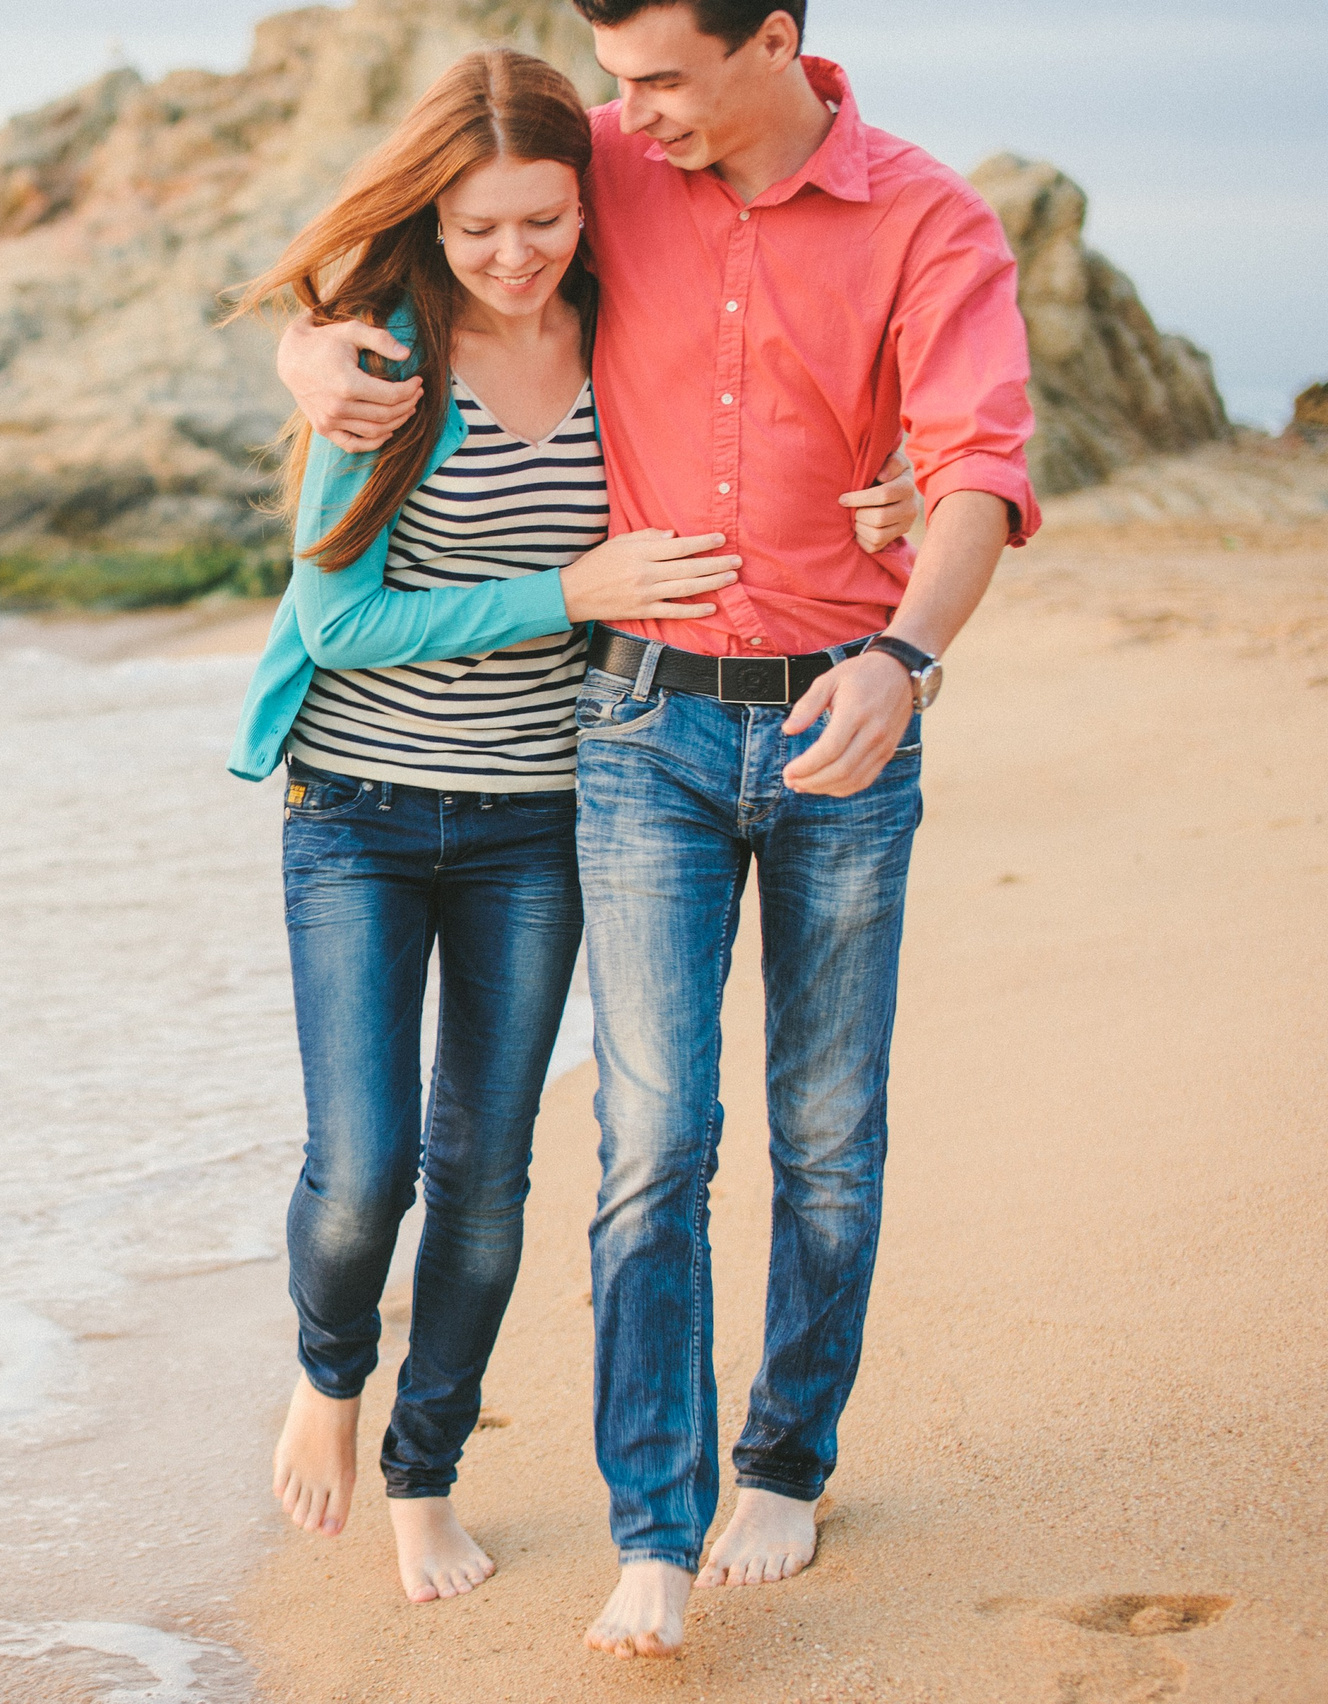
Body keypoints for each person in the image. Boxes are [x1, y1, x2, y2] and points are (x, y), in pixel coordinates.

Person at [275, 0, 1037, 1659]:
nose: (633, 117)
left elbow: (980, 458)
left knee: (827, 1133)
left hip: (849, 709)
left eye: (664, 80)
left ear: (774, 41)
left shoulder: (925, 215)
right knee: (649, 1142)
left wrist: (911, 650)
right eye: (614, 83)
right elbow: (422, 239)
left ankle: (786, 1457)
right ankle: (652, 1526)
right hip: (633, 728)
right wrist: (305, 350)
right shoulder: (603, 163)